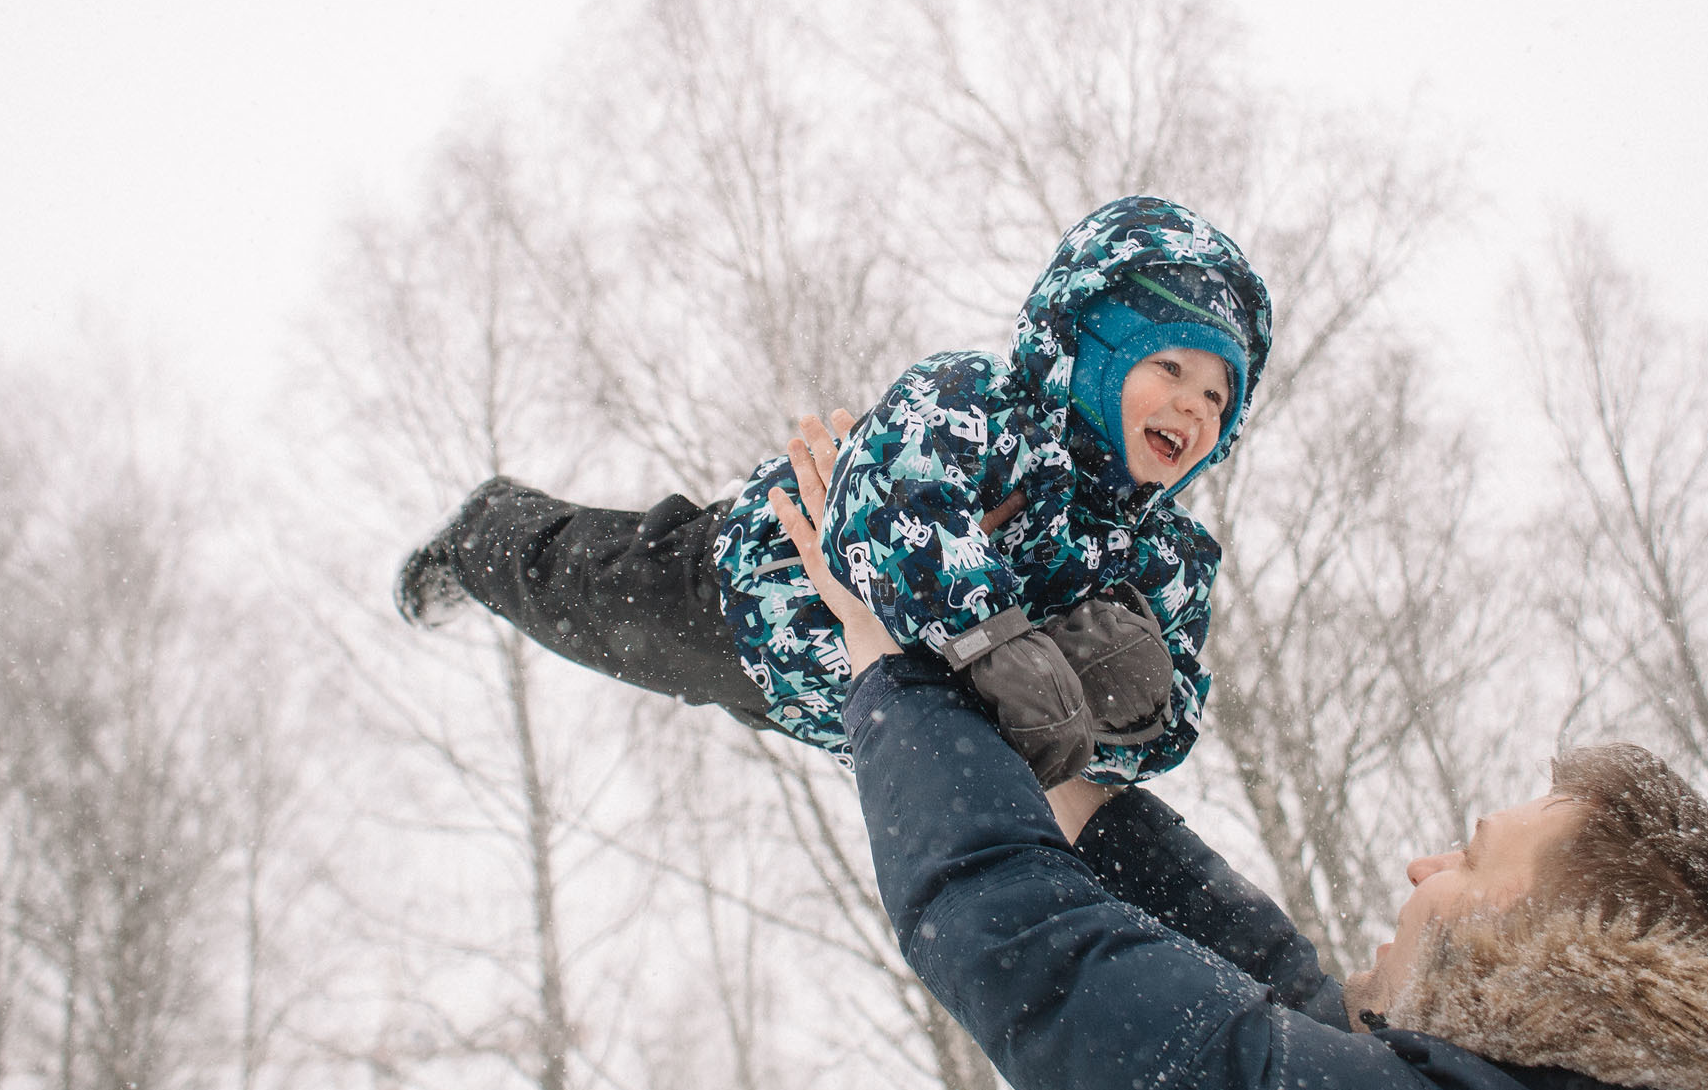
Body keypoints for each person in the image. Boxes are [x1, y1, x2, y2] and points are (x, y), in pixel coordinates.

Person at [765, 415, 1708, 1090]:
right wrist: (1057, 762)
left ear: (1558, 960)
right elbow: (1309, 1034)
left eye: (1471, 859)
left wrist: (895, 666)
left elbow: (1051, 962)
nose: (1426, 865)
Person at [394, 195, 1272, 788]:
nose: (1193, 407)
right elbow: (893, 509)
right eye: (1169, 366)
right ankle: (483, 538)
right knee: (583, 596)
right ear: (1093, 347)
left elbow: (1175, 719)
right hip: (749, 601)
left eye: (1217, 395)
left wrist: (1122, 713)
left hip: (859, 713)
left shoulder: (1167, 558)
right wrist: (996, 641)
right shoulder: (980, 404)